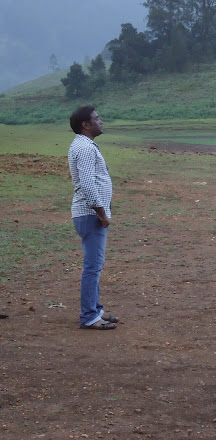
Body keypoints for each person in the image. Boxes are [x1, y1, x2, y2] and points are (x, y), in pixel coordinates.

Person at [68, 106, 119, 330]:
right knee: (93, 267)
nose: (101, 122)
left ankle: (95, 309)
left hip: (89, 214)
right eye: (97, 119)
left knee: (95, 265)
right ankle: (89, 316)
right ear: (86, 125)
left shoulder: (83, 145)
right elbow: (88, 185)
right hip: (90, 215)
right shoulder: (85, 148)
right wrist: (102, 213)